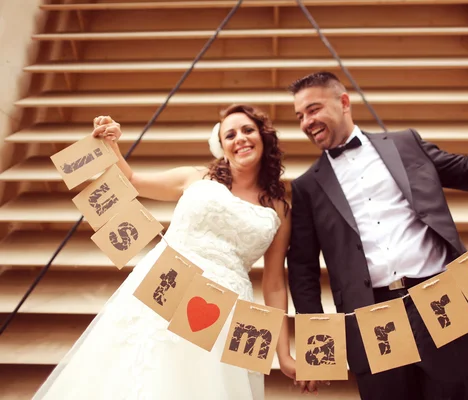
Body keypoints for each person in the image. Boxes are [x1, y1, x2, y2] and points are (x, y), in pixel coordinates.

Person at [285, 71, 468, 399]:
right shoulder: (306, 187)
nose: (306, 121)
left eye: (313, 109)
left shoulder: (405, 143)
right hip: (371, 322)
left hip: (441, 299)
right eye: (300, 116)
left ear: (344, 102)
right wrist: (314, 348)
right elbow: (303, 270)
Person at [33, 104, 299, 400]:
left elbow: (275, 284)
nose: (240, 138)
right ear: (222, 146)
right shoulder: (195, 177)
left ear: (264, 137)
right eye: (230, 134)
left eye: (248, 130)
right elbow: (131, 182)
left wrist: (284, 355)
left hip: (227, 309)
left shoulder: (279, 209)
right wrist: (111, 146)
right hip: (164, 287)